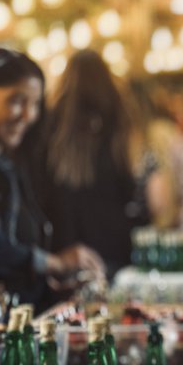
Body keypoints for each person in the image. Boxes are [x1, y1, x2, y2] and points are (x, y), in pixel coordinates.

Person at [0, 47, 104, 311]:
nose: (29, 116)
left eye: (35, 104)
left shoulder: (11, 163)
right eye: (16, 100)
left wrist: (50, 285)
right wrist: (55, 263)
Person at [40, 49, 144, 278]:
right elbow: (129, 186)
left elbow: (47, 191)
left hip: (67, 245)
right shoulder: (119, 120)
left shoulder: (53, 123)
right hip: (115, 243)